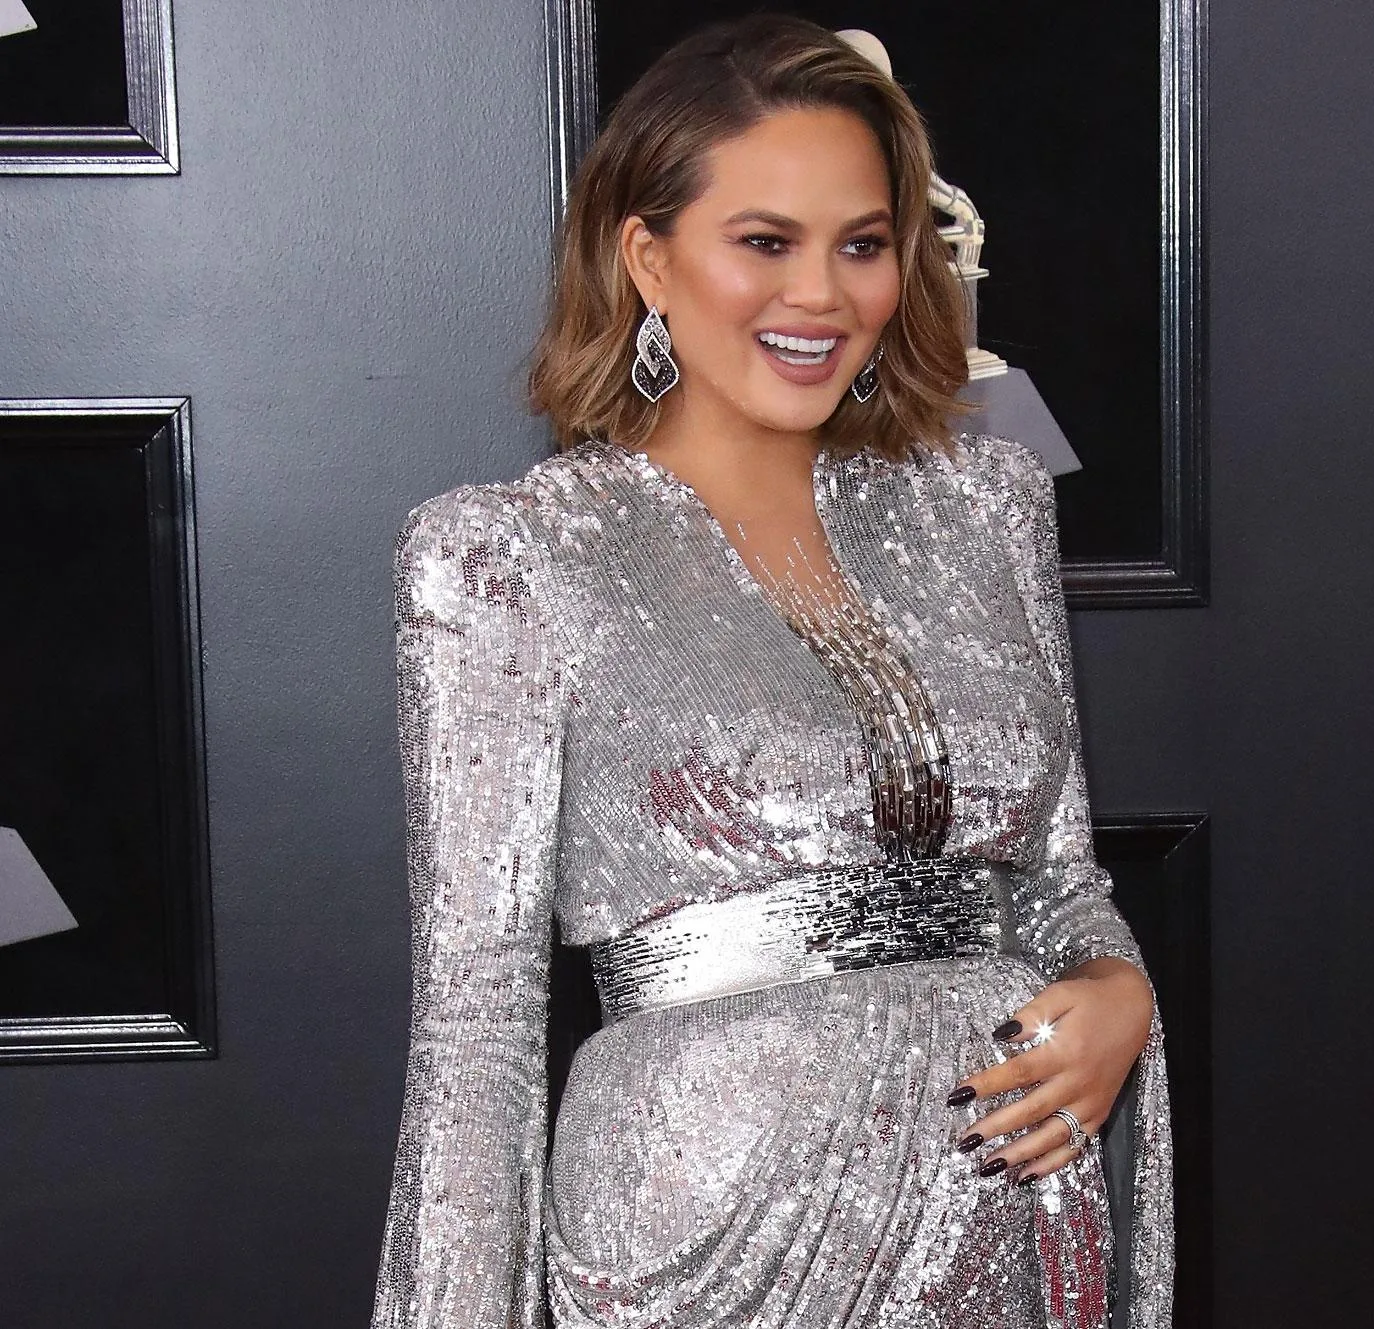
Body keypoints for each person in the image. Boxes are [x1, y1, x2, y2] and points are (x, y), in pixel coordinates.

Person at [369, 15, 1172, 1329]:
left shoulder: (985, 507)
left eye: (861, 244)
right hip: (703, 1233)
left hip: (1003, 1207)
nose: (822, 297)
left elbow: (1055, 879)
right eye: (763, 242)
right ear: (648, 257)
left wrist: (1115, 987)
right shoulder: (511, 557)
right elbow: (478, 1030)